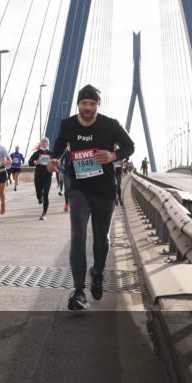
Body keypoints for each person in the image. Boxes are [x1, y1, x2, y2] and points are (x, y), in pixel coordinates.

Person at [48, 84, 135, 311]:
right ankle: (78, 291)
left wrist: (113, 155)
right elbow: (58, 145)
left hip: (105, 190)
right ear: (78, 104)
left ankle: (97, 271)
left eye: (92, 103)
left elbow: (130, 146)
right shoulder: (68, 124)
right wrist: (54, 158)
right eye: (84, 103)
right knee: (77, 235)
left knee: (101, 237)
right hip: (79, 189)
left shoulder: (110, 125)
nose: (88, 107)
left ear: (98, 105)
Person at [27, 137, 54, 220]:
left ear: (48, 144)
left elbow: (56, 162)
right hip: (38, 176)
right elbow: (30, 162)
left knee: (46, 195)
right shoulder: (37, 153)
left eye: (46, 142)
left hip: (48, 176)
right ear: (41, 143)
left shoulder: (51, 153)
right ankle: (39, 197)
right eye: (43, 142)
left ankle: (44, 214)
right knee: (39, 194)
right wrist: (36, 162)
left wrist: (54, 164)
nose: (44, 143)